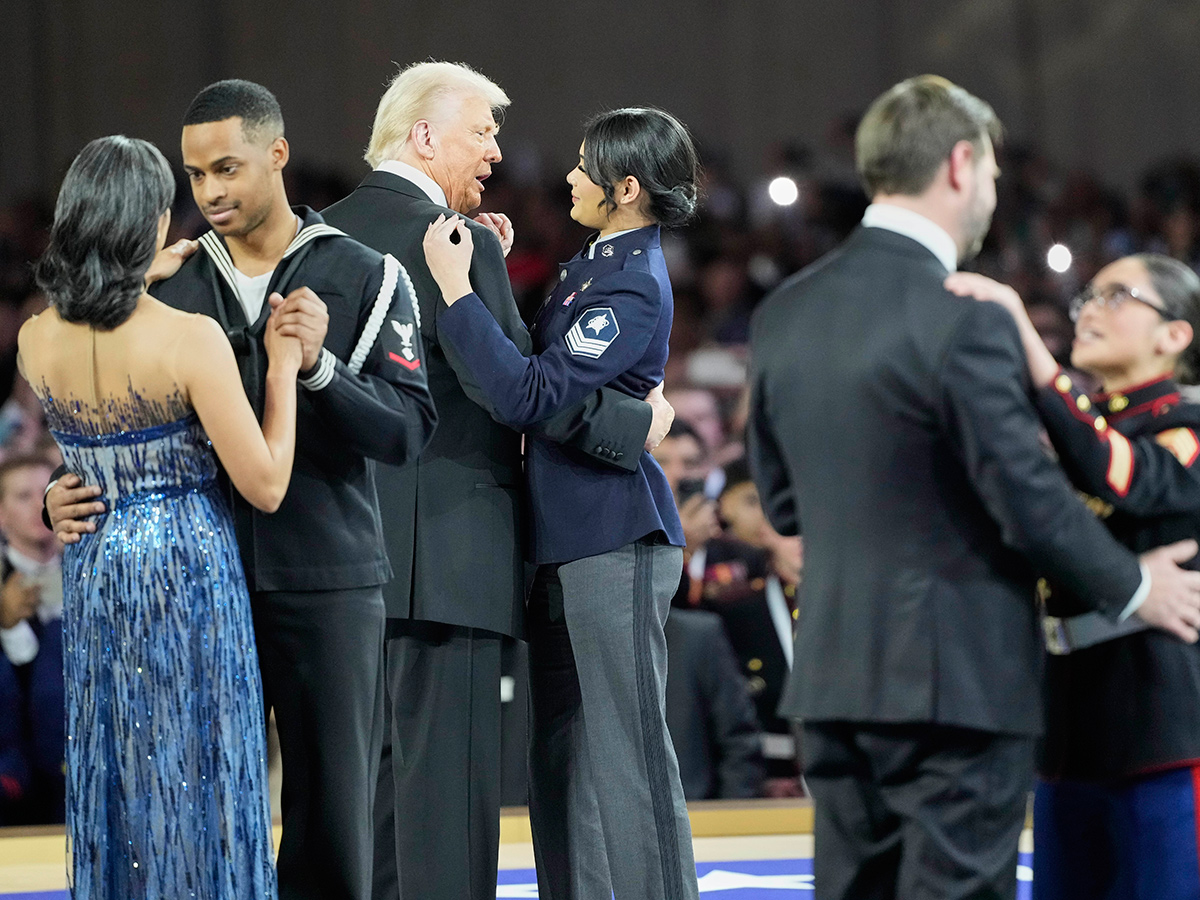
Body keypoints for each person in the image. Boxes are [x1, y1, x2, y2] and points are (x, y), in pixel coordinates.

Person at [746, 74, 1200, 900]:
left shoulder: (786, 311)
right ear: (961, 164)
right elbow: (1026, 497)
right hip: (956, 685)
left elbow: (781, 505)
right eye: (992, 173)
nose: (993, 191)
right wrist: (1134, 586)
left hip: (834, 676)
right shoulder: (966, 313)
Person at [46, 82, 436, 900]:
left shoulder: (365, 274)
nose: (212, 192)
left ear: (278, 154)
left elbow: (408, 432)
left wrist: (323, 370)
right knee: (200, 804)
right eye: (194, 177)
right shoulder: (166, 285)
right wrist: (61, 489)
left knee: (334, 815)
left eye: (227, 168)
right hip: (199, 586)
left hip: (327, 583)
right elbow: (111, 412)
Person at [320, 61, 669, 900]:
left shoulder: (316, 239)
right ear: (426, 136)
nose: (496, 151)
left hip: (344, 561)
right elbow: (521, 395)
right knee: (450, 806)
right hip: (454, 560)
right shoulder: (457, 243)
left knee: (377, 802)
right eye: (481, 132)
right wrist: (642, 426)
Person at [424, 105, 700, 900]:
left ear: (625, 187)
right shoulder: (596, 265)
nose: (569, 178)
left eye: (584, 167)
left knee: (629, 754)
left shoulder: (633, 284)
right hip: (565, 538)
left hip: (613, 535)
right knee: (561, 757)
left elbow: (529, 392)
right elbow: (544, 381)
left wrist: (456, 291)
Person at [21, 134, 302, 898]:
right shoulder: (189, 340)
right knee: (199, 776)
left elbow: (89, 451)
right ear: (151, 220)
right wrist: (281, 371)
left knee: (121, 769)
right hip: (186, 572)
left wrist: (54, 494)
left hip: (98, 565)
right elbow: (267, 483)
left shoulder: (34, 339)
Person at [945, 255, 1200, 899]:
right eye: (1088, 296)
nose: (1088, 309)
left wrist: (1034, 354)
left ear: (1175, 335)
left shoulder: (1186, 423)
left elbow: (1131, 480)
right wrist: (1127, 577)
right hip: (1063, 726)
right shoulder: (1073, 429)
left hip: (1164, 729)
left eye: (1118, 296)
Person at [0, 454, 65, 823]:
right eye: (23, 496)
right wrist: (7, 624)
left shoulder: (90, 574)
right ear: (1, 515)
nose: (38, 506)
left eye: (45, 493)